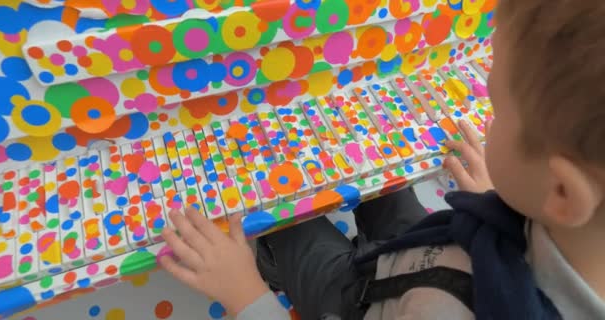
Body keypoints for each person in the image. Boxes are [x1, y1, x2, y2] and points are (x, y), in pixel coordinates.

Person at [158, 0, 605, 318]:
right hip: (425, 253)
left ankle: (273, 266)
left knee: (292, 225)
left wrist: (246, 294)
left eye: (497, 109)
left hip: (354, 299)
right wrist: (504, 198)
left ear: (562, 190)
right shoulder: (577, 232)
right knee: (388, 188)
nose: (489, 121)